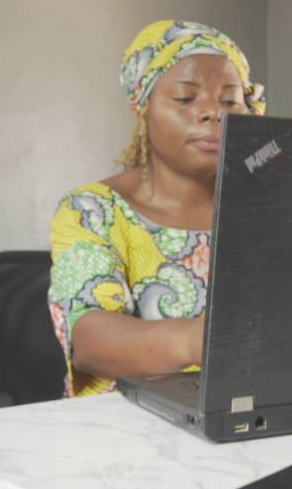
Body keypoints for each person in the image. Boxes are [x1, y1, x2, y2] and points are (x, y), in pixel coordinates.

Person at [47, 20, 266, 396]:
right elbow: (89, 341)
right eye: (186, 98)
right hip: (125, 421)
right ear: (143, 108)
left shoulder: (269, 209)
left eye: (230, 101)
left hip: (251, 409)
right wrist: (198, 341)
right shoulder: (92, 209)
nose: (213, 113)